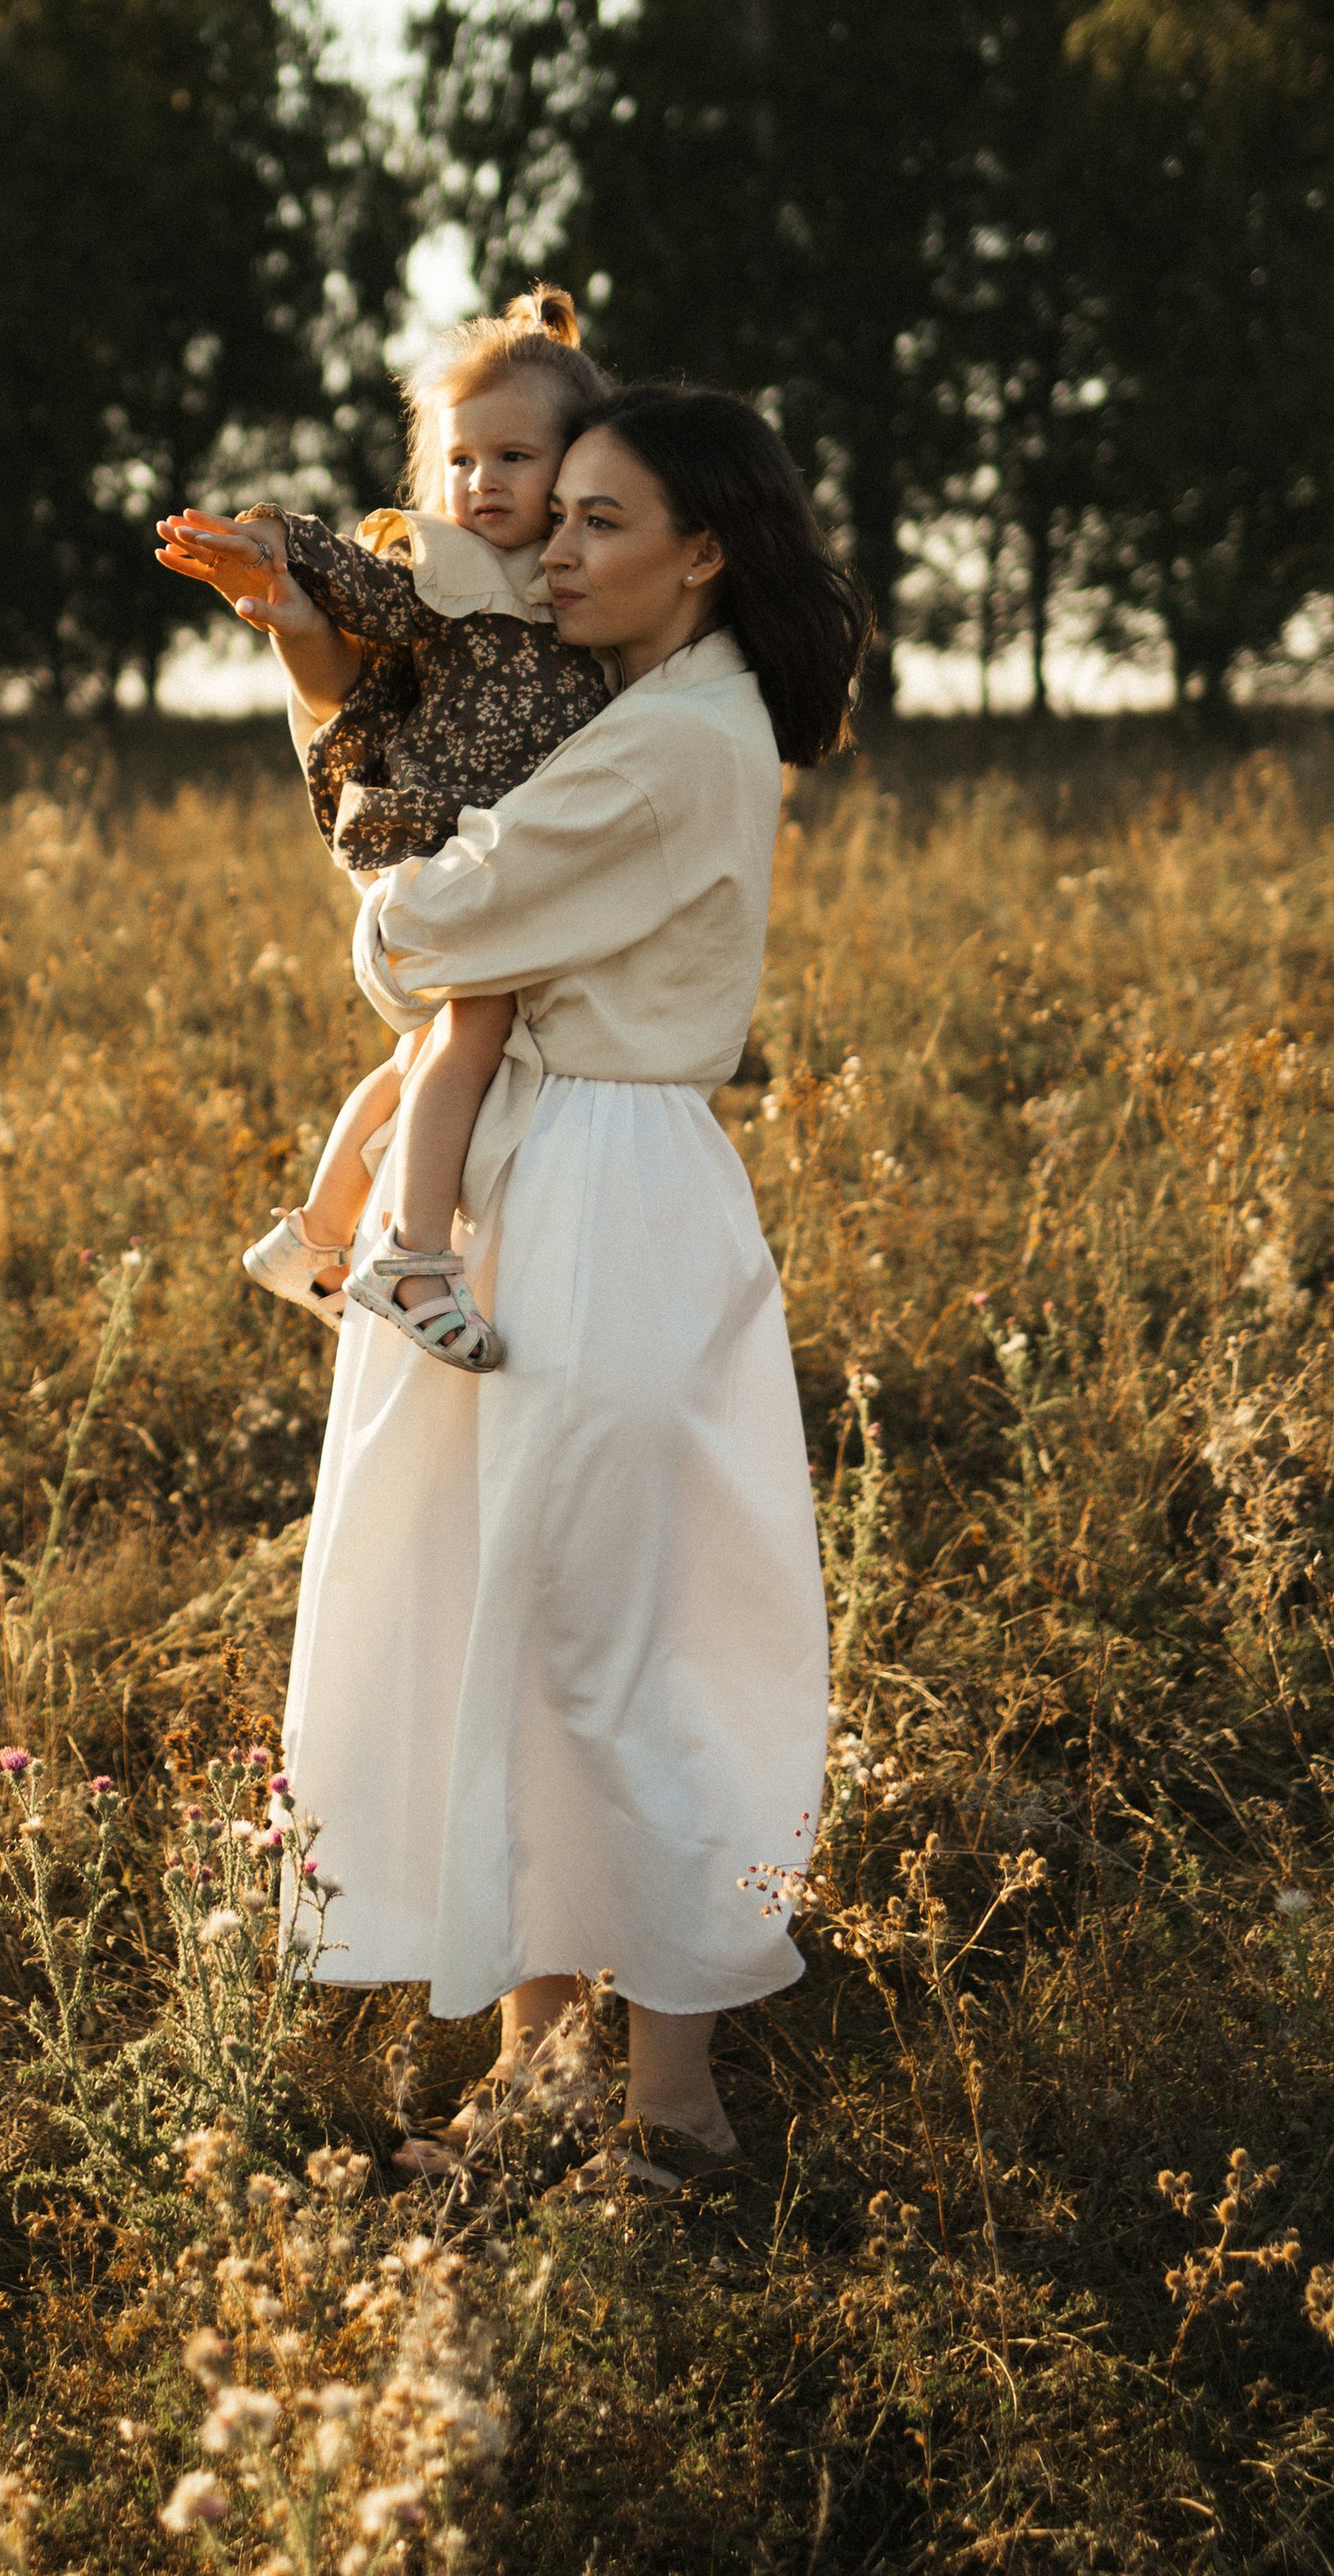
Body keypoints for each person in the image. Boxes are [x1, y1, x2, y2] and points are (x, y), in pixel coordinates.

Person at [279, 383, 872, 2191]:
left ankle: (673, 2118)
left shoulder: (680, 741)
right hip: (558, 1167)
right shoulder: (641, 705)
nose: (555, 552)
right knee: (519, 1632)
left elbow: (424, 928)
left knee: (616, 1647)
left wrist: (342, 762)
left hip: (607, 1190)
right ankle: (540, 2087)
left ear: (706, 551)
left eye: (603, 523)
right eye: (562, 517)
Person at [155, 290, 612, 1371]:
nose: (480, 482)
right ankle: (411, 1253)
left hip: (475, 829)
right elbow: (359, 584)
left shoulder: (558, 579)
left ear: (577, 465)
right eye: (459, 460)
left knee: (425, 1046)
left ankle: (312, 1232)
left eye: (512, 457)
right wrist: (271, 544)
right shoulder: (445, 570)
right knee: (477, 1022)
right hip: (432, 823)